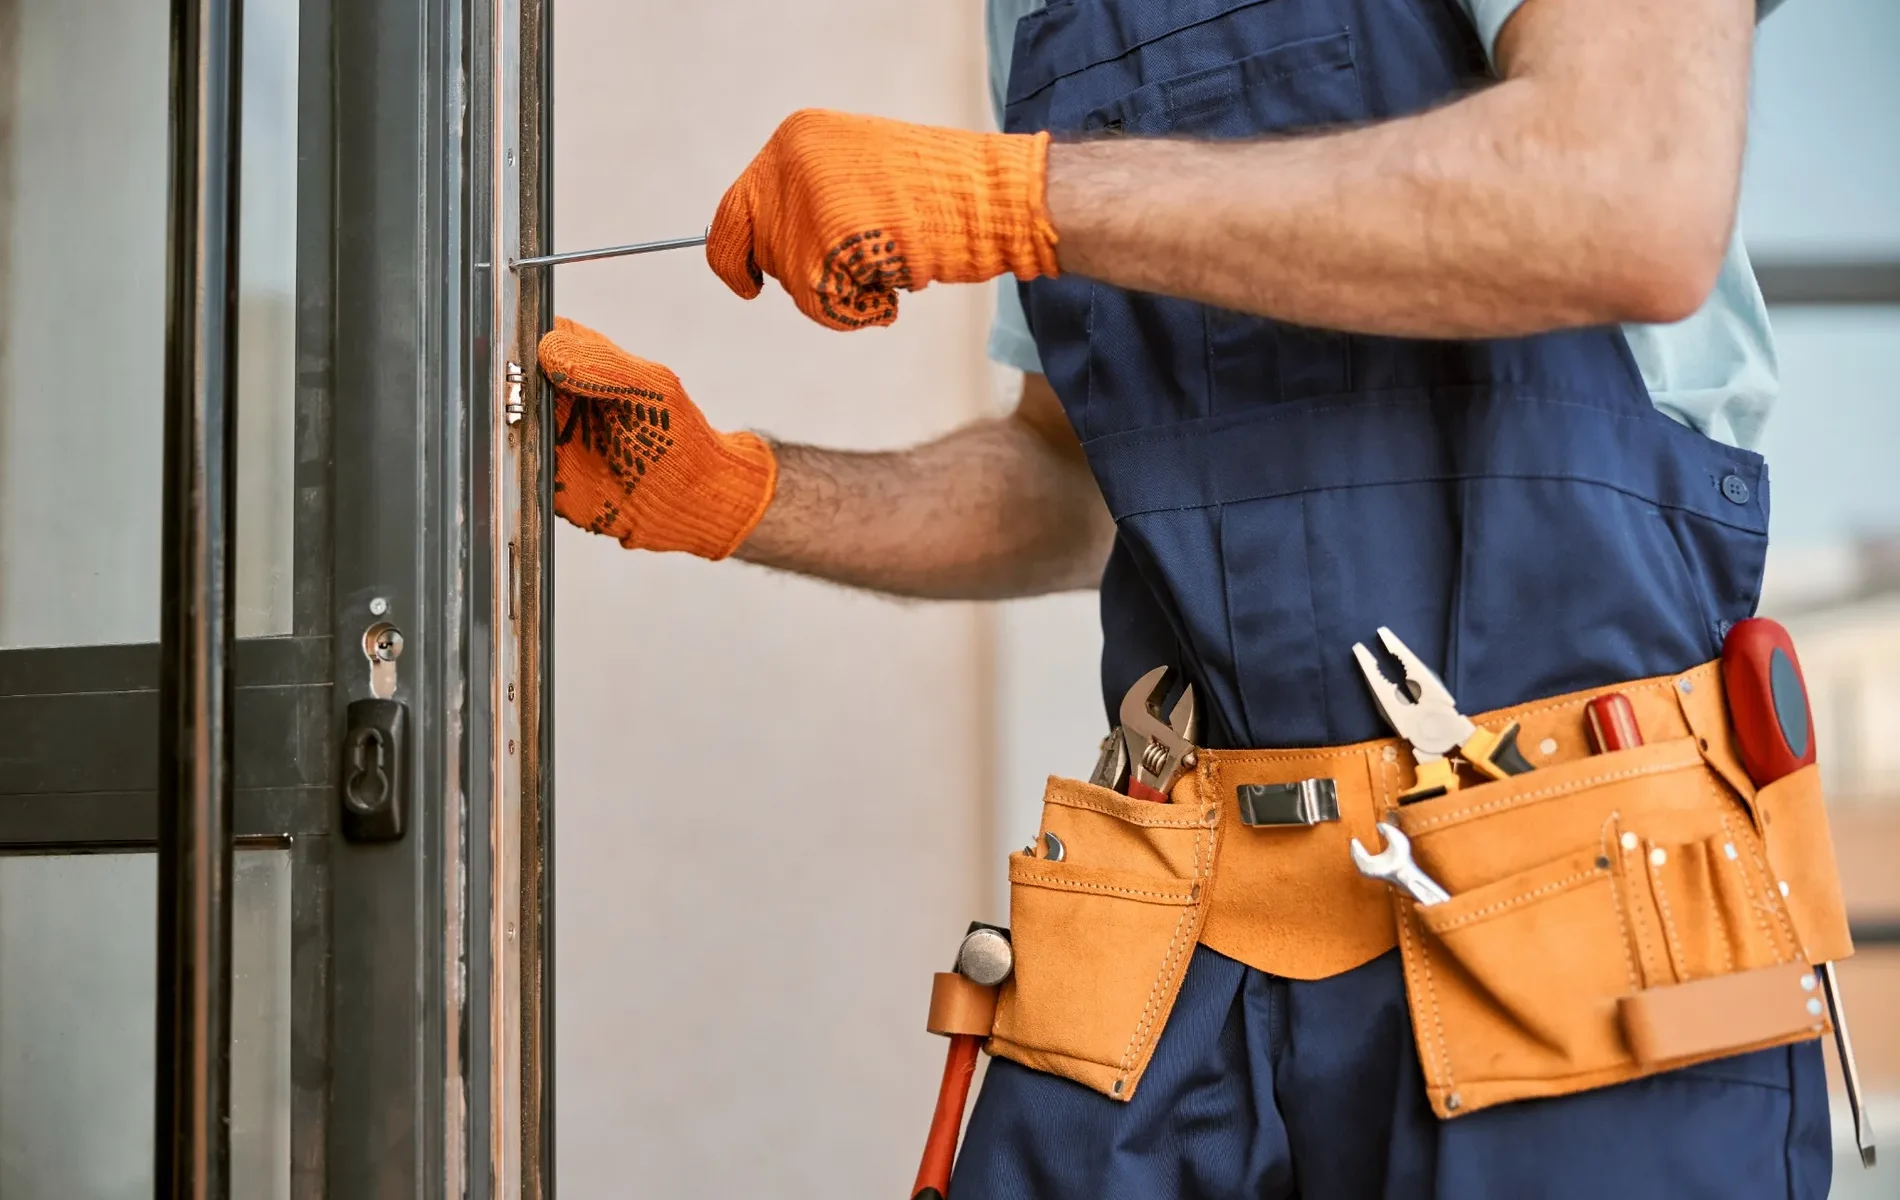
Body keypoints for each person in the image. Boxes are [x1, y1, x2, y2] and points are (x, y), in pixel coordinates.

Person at [539, 0, 1841, 1194]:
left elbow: (1624, 195)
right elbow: (1076, 474)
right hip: (1192, 928)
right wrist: (736, 495)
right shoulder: (1043, 13)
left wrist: (1024, 197)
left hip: (1584, 921)